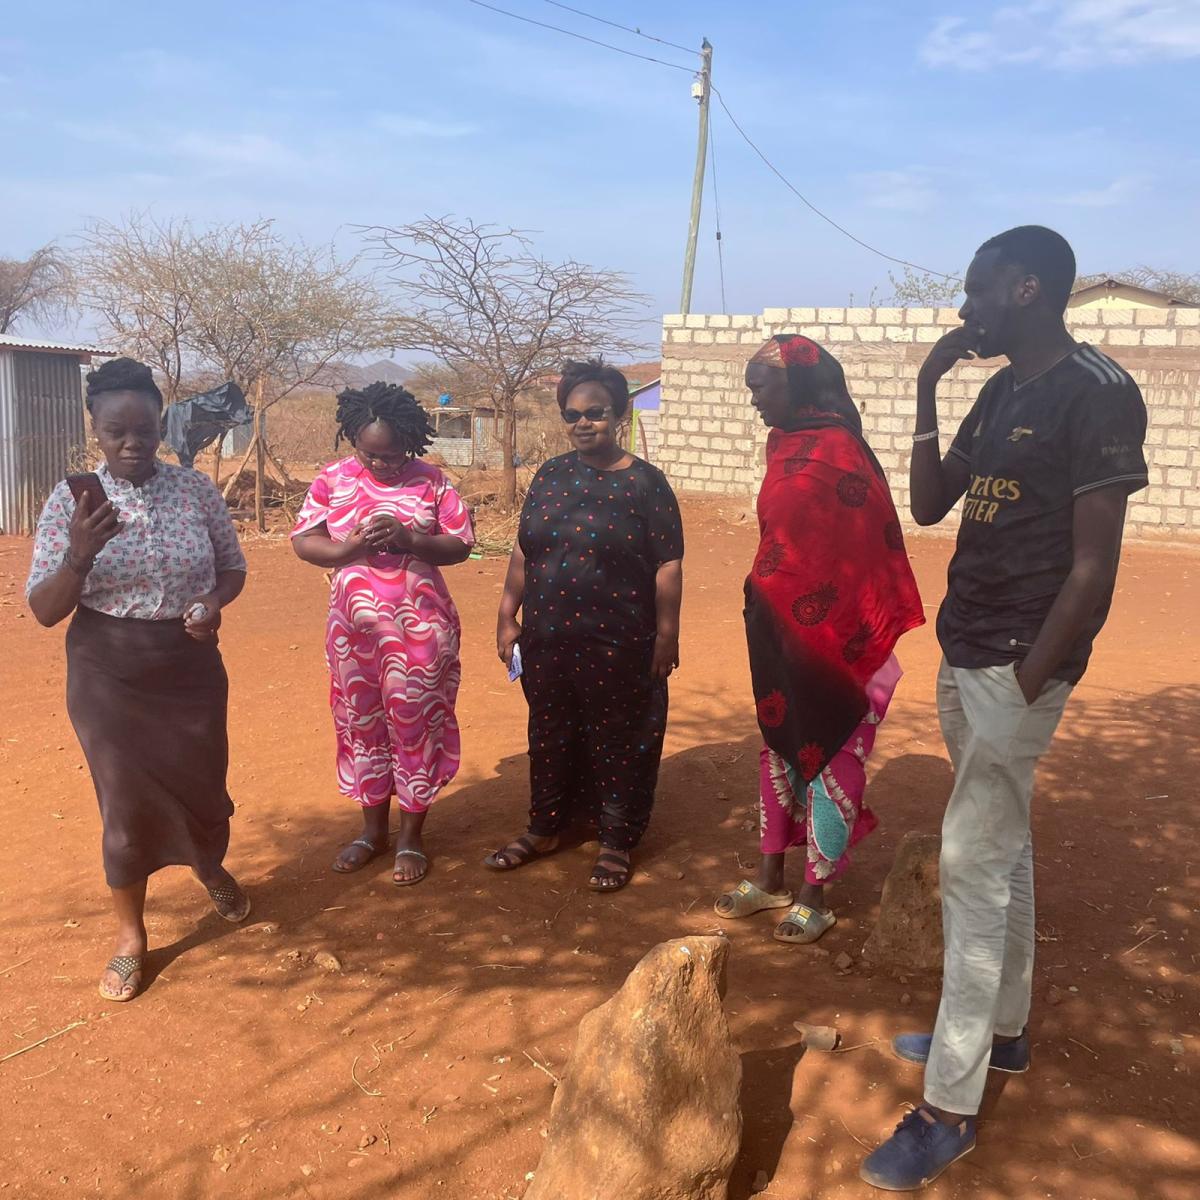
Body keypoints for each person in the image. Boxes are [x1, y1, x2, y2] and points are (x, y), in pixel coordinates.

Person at [861, 226, 1149, 1190]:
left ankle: (949, 1107)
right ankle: (1006, 1033)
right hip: (967, 646)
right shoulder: (999, 390)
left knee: (973, 869)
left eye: (976, 291)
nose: (964, 309)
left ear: (1026, 289)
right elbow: (931, 504)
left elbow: (1094, 567)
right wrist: (927, 387)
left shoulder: (1098, 391)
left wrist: (1032, 678)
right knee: (1004, 845)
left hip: (1019, 665)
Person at [26, 357, 251, 1003]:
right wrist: (78, 555)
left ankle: (209, 867)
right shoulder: (70, 501)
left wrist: (211, 602)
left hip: (189, 665)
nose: (132, 443)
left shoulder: (195, 490)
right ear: (94, 430)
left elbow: (232, 568)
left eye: (145, 430)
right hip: (108, 673)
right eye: (116, 431)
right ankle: (131, 936)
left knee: (202, 789)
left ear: (162, 426)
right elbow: (45, 610)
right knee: (124, 807)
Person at [713, 336, 924, 943]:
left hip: (841, 641)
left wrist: (842, 626)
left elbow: (864, 549)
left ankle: (816, 892)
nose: (754, 400)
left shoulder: (841, 451)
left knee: (834, 756)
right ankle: (769, 877)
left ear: (798, 385)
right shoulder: (783, 444)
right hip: (778, 632)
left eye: (761, 388)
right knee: (779, 748)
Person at [486, 359, 684, 892]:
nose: (583, 423)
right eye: (572, 415)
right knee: (549, 733)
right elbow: (525, 551)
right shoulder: (550, 475)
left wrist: (667, 635)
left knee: (619, 737)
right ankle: (545, 828)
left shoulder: (646, 484)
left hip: (620, 642)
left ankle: (616, 841)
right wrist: (507, 614)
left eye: (595, 412)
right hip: (548, 639)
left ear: (619, 414)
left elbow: (668, 563)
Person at [291, 382, 474, 887]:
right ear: (353, 440)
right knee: (361, 726)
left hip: (420, 633)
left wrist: (410, 538)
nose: (380, 465)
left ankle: (411, 836)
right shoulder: (332, 480)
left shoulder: (432, 482)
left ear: (410, 443)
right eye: (369, 454)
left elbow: (461, 544)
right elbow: (305, 540)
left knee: (416, 728)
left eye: (392, 456)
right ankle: (372, 833)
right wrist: (347, 550)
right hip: (353, 635)